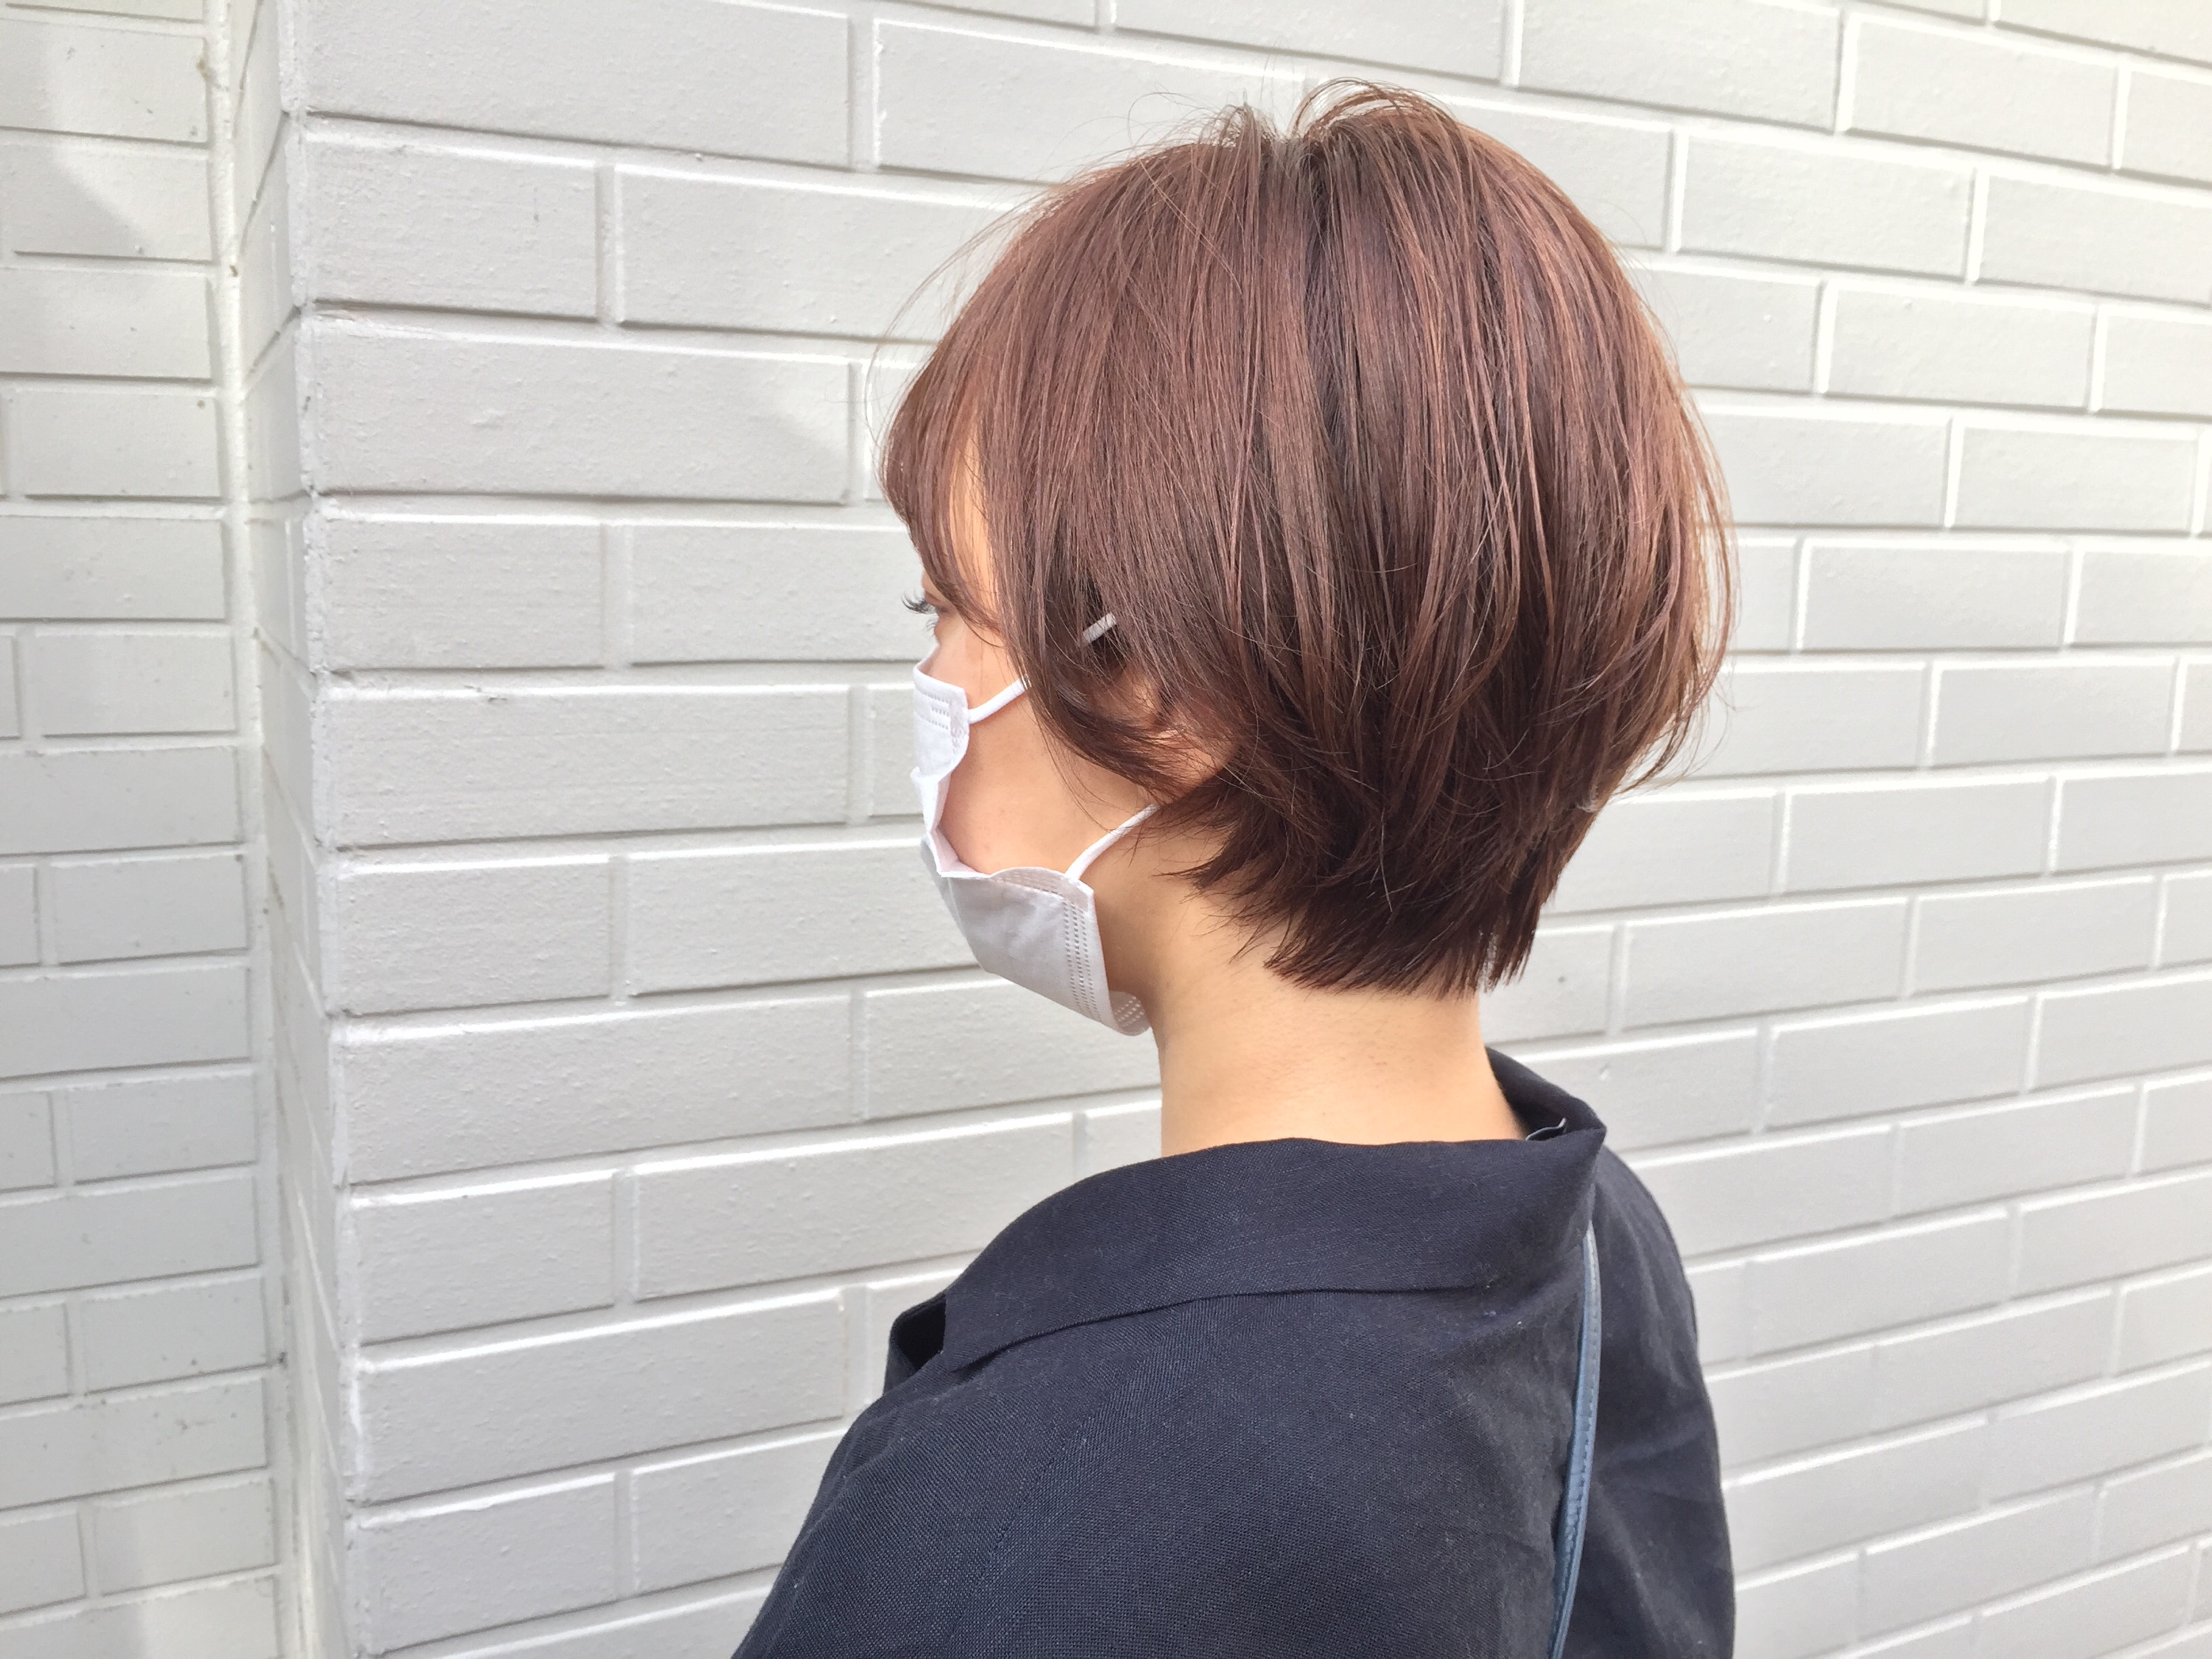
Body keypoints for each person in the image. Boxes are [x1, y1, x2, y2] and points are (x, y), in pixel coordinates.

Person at [734, 82, 1733, 1658]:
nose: (933, 683)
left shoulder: (1042, 1515)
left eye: (944, 611)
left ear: (1167, 692)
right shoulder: (1597, 1237)